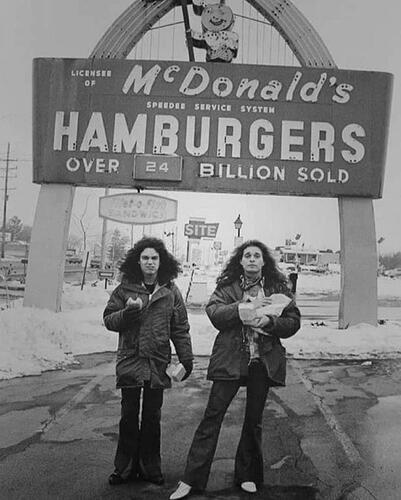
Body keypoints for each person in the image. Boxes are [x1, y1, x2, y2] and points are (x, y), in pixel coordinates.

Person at [170, 240, 301, 499]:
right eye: (247, 255)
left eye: (257, 256)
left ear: (264, 262)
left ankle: (248, 475)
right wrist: (240, 309)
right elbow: (214, 312)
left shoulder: (277, 288)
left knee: (253, 421)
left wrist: (270, 320)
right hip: (230, 358)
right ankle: (191, 479)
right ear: (240, 261)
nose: (252, 259)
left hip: (261, 361)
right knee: (212, 417)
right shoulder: (228, 286)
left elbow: (293, 321)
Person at [103, 237, 193, 487]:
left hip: (158, 363)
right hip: (130, 360)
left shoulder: (171, 291)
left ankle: (150, 466)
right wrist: (129, 312)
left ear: (161, 262)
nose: (150, 263)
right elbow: (109, 320)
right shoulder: (125, 289)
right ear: (137, 261)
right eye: (145, 258)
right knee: (128, 415)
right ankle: (124, 468)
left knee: (152, 417)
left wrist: (186, 357)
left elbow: (181, 328)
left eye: (154, 258)